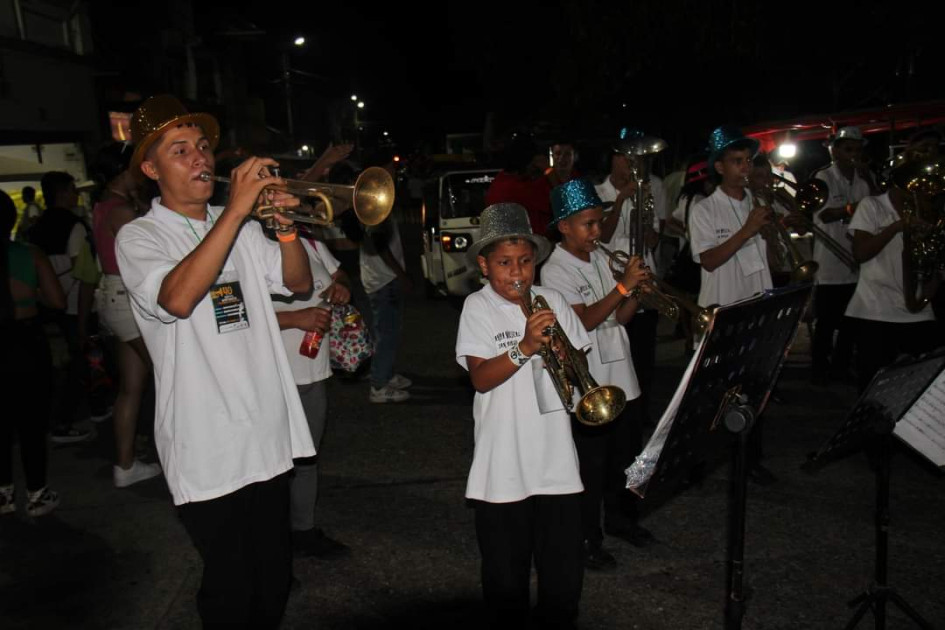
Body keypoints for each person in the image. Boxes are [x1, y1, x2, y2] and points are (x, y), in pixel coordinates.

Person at [115, 94, 315, 627]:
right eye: (180, 150)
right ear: (151, 168)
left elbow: (299, 283)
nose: (200, 157)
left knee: (274, 577)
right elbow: (177, 298)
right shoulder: (138, 237)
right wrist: (235, 212)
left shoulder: (245, 230)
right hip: (207, 444)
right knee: (230, 587)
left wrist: (285, 227)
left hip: (265, 435)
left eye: (203, 146)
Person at [456, 202, 587, 627]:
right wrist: (525, 347)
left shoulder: (553, 299)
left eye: (526, 262)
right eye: (505, 263)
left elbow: (578, 372)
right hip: (505, 464)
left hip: (556, 460)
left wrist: (563, 352)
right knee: (505, 576)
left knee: (563, 572)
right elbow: (480, 379)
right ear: (484, 265)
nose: (517, 273)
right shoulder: (478, 307)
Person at [540, 179, 653, 571]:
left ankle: (623, 521)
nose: (597, 232)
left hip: (623, 375)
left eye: (599, 223)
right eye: (587, 224)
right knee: (591, 467)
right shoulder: (554, 270)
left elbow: (619, 319)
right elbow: (582, 322)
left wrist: (636, 291)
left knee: (628, 459)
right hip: (591, 382)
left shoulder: (602, 258)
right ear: (563, 226)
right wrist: (623, 285)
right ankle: (588, 537)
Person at [688, 126, 777, 484]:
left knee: (754, 387)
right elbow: (709, 260)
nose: (745, 168)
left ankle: (749, 458)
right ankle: (700, 460)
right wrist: (748, 231)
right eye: (737, 162)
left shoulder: (758, 205)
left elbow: (771, 260)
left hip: (757, 304)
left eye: (748, 161)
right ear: (720, 167)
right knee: (713, 392)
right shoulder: (704, 208)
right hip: (722, 307)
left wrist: (770, 235)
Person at [271, 235, 352, 558]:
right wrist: (294, 319)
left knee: (307, 459)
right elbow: (231, 313)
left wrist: (342, 286)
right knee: (273, 467)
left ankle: (302, 530)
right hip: (273, 377)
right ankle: (272, 546)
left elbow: (338, 275)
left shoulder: (309, 242)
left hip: (312, 373)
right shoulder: (243, 245)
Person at [91, 144, 163, 488]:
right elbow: (157, 241)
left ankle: (125, 465)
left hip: (112, 297)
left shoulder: (102, 206)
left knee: (131, 387)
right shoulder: (121, 211)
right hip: (127, 299)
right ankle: (180, 454)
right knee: (171, 376)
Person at [845, 156, 942, 393]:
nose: (919, 193)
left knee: (920, 386)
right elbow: (860, 253)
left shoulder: (930, 210)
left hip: (918, 309)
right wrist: (897, 227)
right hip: (876, 309)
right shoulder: (872, 205)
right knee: (872, 387)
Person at [1, 191, 66, 517]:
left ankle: (3, 494)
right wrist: (31, 294)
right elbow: (57, 301)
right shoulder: (30, 254)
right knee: (31, 421)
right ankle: (37, 492)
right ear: (11, 219)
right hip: (24, 342)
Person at [29, 170, 97, 443]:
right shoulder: (75, 225)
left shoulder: (37, 227)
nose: (76, 194)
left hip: (47, 302)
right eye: (72, 189)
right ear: (63, 193)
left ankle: (95, 406)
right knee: (81, 358)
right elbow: (83, 271)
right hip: (74, 301)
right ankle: (64, 421)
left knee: (78, 358)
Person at [808, 126, 872, 385]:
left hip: (856, 263)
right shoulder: (823, 177)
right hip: (830, 264)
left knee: (850, 323)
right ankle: (819, 369)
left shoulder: (863, 179)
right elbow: (825, 214)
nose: (853, 154)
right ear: (835, 150)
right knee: (825, 323)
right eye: (848, 149)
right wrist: (856, 208)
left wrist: (871, 182)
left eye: (857, 149)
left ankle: (841, 367)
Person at [360, 153, 413, 403]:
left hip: (382, 277)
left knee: (391, 330)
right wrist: (401, 274)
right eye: (389, 171)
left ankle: (387, 374)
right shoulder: (373, 201)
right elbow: (380, 245)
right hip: (383, 279)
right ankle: (379, 386)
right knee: (387, 333)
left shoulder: (381, 200)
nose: (393, 175)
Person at [484, 134, 553, 236]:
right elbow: (561, 202)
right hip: (529, 243)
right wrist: (548, 170)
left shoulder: (499, 181)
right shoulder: (520, 188)